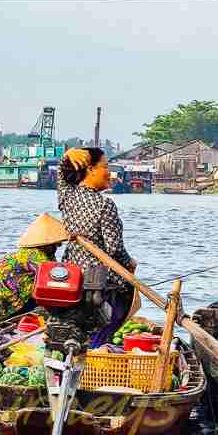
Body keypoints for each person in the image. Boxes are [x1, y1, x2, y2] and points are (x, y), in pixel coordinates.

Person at [58, 147, 137, 345]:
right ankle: (97, 346)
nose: (109, 173)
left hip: (71, 275)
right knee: (120, 307)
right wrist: (130, 263)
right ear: (91, 169)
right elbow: (114, 249)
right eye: (106, 166)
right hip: (100, 279)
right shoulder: (105, 204)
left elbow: (62, 175)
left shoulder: (68, 197)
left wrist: (66, 156)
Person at [0, 213, 68, 335]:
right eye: (55, 244)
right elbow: (51, 276)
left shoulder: (48, 256)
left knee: (35, 304)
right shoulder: (31, 254)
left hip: (17, 298)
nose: (57, 246)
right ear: (45, 244)